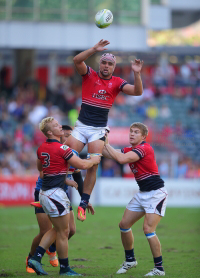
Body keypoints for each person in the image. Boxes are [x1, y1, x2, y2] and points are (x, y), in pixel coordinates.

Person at [66, 39, 144, 221]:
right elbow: (77, 60)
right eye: (104, 62)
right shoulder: (89, 75)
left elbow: (138, 92)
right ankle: (51, 190)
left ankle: (83, 203)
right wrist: (94, 49)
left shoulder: (117, 82)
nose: (106, 65)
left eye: (110, 63)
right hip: (81, 126)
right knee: (67, 156)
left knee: (93, 165)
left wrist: (137, 74)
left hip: (98, 130)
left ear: (114, 67)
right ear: (99, 64)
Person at [28, 117, 101, 276]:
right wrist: (94, 159)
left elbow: (40, 167)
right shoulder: (62, 148)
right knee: (63, 232)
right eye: (55, 125)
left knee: (59, 229)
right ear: (49, 132)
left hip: (46, 192)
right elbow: (82, 165)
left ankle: (36, 258)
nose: (59, 126)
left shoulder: (41, 148)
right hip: (55, 194)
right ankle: (64, 268)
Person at [103, 122, 168, 276]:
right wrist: (97, 142)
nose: (132, 134)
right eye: (131, 131)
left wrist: (106, 143)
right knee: (124, 225)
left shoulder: (144, 148)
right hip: (143, 193)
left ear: (143, 136)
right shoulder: (130, 150)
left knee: (148, 229)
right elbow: (109, 153)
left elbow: (121, 159)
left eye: (136, 132)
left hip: (155, 193)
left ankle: (159, 269)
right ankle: (130, 260)